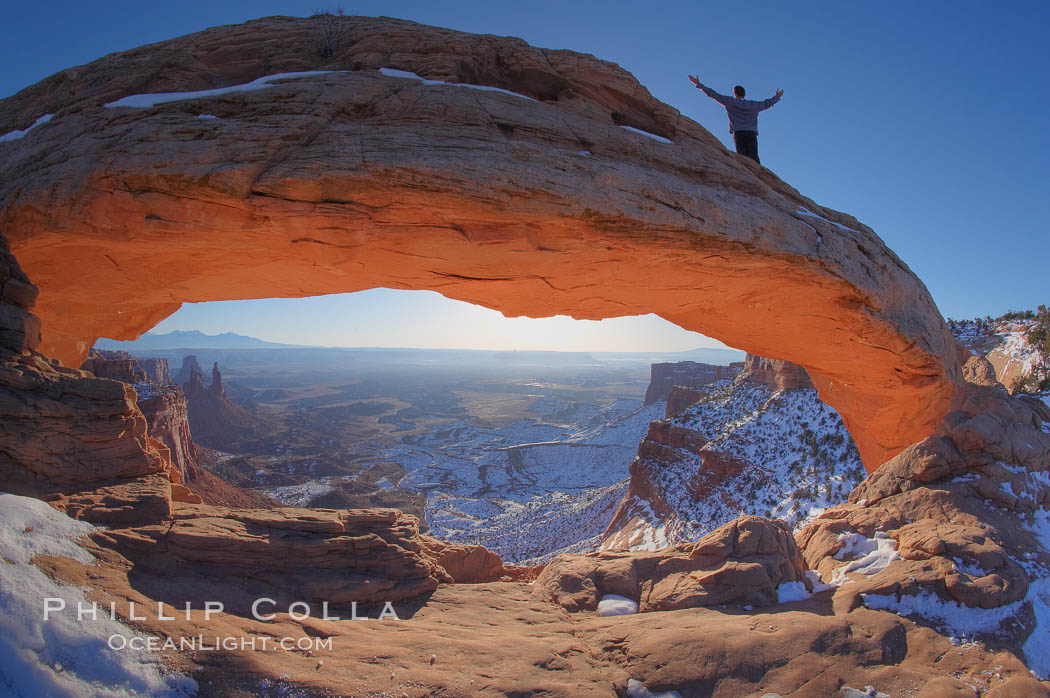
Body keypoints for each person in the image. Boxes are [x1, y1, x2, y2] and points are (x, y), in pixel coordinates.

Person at [688, 76, 783, 165]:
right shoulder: (754, 105)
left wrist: (698, 84)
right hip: (751, 133)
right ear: (744, 94)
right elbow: (767, 103)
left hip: (738, 132)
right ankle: (758, 177)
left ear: (735, 93)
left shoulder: (730, 101)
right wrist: (777, 97)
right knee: (754, 156)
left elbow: (713, 94)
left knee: (742, 157)